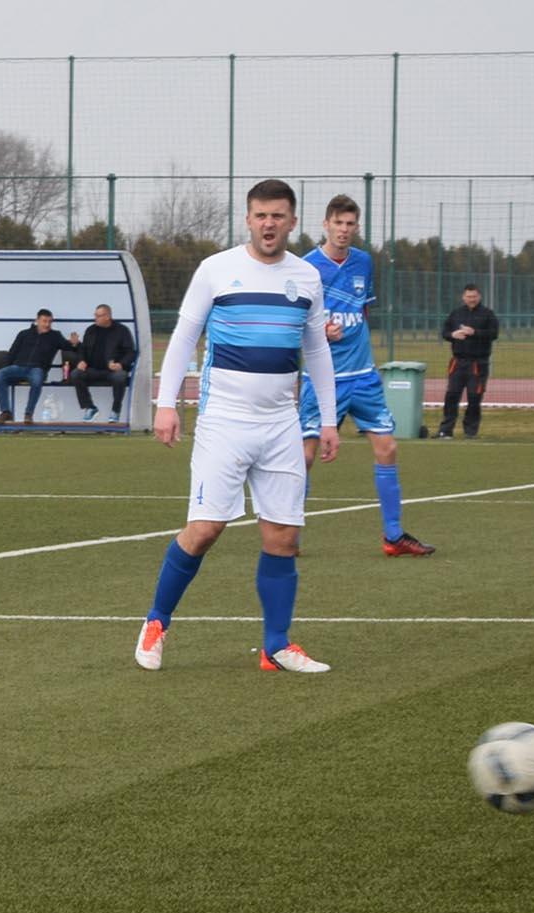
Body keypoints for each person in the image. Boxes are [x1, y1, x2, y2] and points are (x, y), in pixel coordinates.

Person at [135, 178, 338, 675]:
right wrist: (166, 404)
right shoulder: (216, 270)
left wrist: (329, 419)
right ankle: (157, 621)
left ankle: (276, 647)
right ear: (248, 220)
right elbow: (184, 337)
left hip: (282, 424)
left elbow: (316, 350)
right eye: (261, 215)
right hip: (223, 422)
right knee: (205, 529)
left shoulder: (307, 277)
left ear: (292, 222)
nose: (269, 224)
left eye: (278, 216)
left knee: (283, 536)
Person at [299, 195, 434, 556]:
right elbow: (293, 322)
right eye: (338, 223)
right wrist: (319, 333)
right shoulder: (306, 267)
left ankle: (394, 536)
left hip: (363, 376)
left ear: (356, 227)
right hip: (322, 378)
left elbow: (362, 312)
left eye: (350, 224)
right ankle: (288, 533)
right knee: (305, 457)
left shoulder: (363, 262)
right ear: (325, 224)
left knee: (388, 448)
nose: (343, 230)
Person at [436, 283, 499, 439]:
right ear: (463, 297)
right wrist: (452, 335)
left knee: (474, 398)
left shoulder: (487, 314)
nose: (471, 299)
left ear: (479, 297)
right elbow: (445, 332)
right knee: (451, 396)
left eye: (474, 296)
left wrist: (475, 332)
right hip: (458, 362)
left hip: (478, 363)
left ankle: (470, 432)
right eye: (469, 296)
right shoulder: (456, 313)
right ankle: (445, 431)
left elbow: (493, 333)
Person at [0, 309, 72, 424]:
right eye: (44, 321)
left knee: (37, 380)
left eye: (50, 322)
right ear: (37, 320)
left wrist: (75, 343)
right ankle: (5, 412)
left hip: (37, 369)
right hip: (18, 367)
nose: (47, 324)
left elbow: (68, 347)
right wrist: (4, 368)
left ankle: (29, 414)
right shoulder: (24, 334)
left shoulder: (55, 336)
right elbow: (12, 353)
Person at [69, 304, 137, 422]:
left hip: (112, 370)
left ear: (107, 316)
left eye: (98, 316)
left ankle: (115, 411)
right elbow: (83, 350)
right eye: (95, 315)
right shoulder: (90, 330)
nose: (95, 318)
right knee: (76, 374)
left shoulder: (122, 331)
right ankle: (89, 407)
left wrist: (120, 364)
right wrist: (81, 361)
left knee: (120, 376)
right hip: (92, 369)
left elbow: (130, 352)